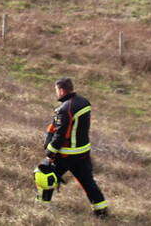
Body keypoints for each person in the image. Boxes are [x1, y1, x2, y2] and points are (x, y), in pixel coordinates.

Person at [37, 77, 108, 217]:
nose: (56, 93)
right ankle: (101, 211)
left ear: (62, 90)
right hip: (83, 153)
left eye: (56, 90)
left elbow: (60, 134)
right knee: (88, 182)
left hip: (66, 154)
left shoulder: (65, 109)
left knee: (45, 174)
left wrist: (50, 154)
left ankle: (42, 207)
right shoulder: (84, 102)